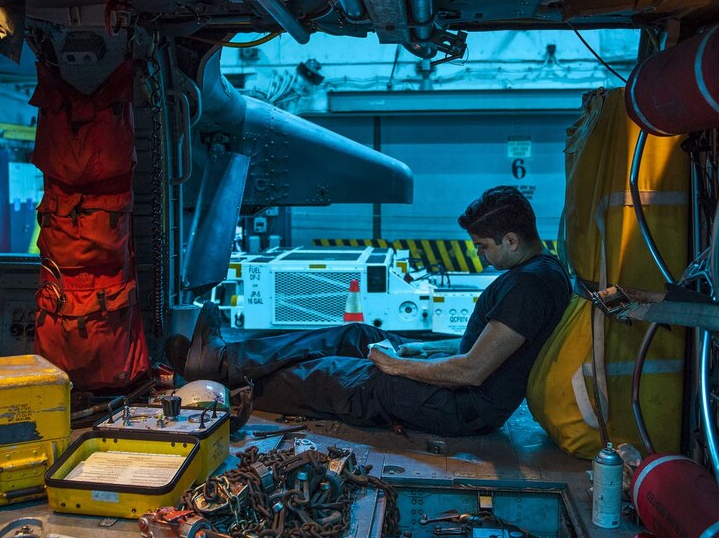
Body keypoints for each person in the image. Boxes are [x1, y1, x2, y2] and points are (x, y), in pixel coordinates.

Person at [167, 186, 571, 436]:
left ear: (512, 240)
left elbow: (471, 370)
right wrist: (418, 350)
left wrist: (397, 368)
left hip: (462, 408)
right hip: (460, 388)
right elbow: (485, 345)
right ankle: (224, 359)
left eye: (484, 247)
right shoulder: (542, 270)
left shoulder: (528, 287)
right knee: (357, 335)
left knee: (334, 375)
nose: (481, 256)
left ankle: (220, 385)